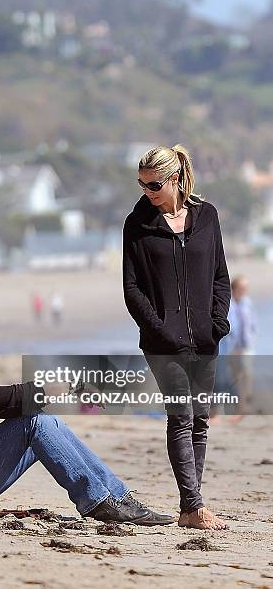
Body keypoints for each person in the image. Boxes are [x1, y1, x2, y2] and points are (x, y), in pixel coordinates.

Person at [0, 317, 174, 526]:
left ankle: (118, 497)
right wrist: (74, 386)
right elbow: (13, 399)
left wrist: (33, 435)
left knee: (40, 425)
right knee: (37, 421)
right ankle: (99, 502)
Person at [123, 144, 231, 530]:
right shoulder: (137, 225)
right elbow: (132, 289)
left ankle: (191, 507)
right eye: (141, 184)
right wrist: (160, 328)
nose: (147, 192)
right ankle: (193, 503)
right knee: (181, 416)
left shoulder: (207, 217)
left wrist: (217, 323)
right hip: (162, 343)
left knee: (200, 419)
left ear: (175, 179)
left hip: (206, 339)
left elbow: (220, 275)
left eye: (153, 185)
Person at [227, 275, 257, 420]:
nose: (245, 290)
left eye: (246, 288)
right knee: (236, 376)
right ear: (235, 288)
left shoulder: (247, 303)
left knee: (248, 374)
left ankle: (246, 404)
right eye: (242, 288)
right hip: (232, 345)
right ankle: (239, 406)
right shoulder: (229, 304)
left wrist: (253, 336)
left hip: (247, 345)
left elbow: (252, 322)